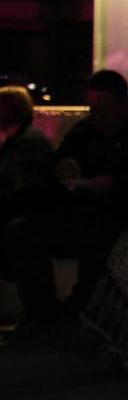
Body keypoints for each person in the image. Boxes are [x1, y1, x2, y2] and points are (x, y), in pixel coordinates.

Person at [7, 70, 128, 331]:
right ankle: (43, 314)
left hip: (124, 215)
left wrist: (115, 184)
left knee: (101, 232)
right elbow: (56, 164)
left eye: (104, 109)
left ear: (121, 103)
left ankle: (81, 310)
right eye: (92, 108)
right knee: (24, 230)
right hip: (80, 211)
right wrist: (63, 167)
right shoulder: (84, 132)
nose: (97, 116)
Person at [0, 85, 56, 337]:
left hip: (28, 217)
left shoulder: (25, 146)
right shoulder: (21, 142)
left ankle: (38, 317)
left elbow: (20, 194)